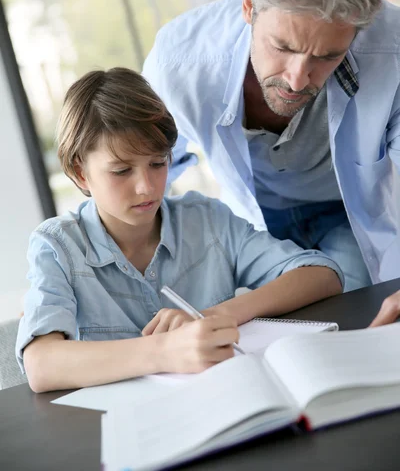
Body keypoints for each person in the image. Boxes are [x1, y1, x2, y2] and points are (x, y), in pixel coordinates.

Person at [16, 68, 342, 393]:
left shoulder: (205, 219)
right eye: (121, 170)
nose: (146, 187)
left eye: (158, 164)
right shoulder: (57, 246)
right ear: (80, 172)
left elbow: (322, 274)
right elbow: (41, 365)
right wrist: (168, 351)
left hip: (226, 400)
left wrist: (214, 317)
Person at [143, 0, 400, 294]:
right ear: (248, 5)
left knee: (358, 304)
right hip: (254, 222)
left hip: (347, 215)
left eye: (327, 56)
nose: (297, 79)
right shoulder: (179, 64)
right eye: (282, 46)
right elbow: (140, 169)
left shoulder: (393, 53)